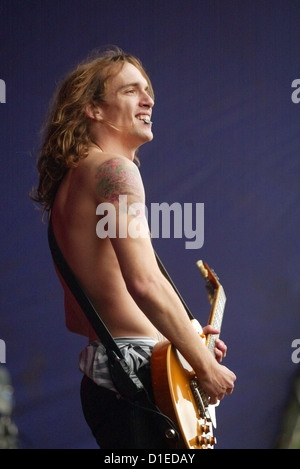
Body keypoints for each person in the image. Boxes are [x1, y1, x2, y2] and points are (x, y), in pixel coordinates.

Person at [31, 46, 236, 449]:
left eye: (149, 91)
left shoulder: (68, 188)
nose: (149, 99)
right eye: (131, 90)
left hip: (111, 383)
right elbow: (142, 282)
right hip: (140, 381)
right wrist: (203, 364)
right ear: (93, 108)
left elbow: (85, 315)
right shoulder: (114, 169)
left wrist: (190, 341)